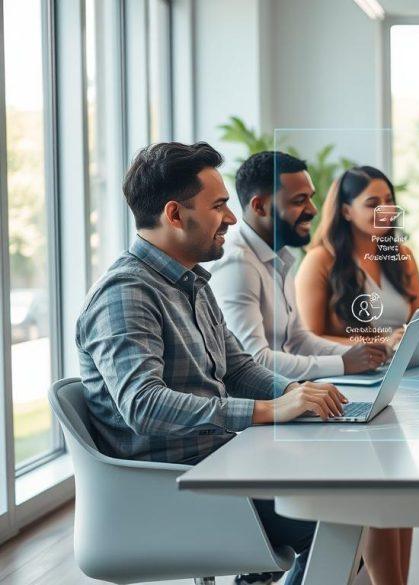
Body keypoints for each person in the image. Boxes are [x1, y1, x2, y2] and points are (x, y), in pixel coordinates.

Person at [76, 142, 355, 585]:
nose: (231, 218)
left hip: (221, 464)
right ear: (174, 215)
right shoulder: (127, 293)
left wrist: (291, 393)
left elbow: (240, 368)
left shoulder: (192, 283)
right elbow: (143, 405)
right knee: (339, 518)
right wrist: (266, 411)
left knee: (345, 483)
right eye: (220, 205)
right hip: (175, 489)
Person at [208, 151, 389, 379]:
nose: (313, 209)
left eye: (310, 198)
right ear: (259, 207)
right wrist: (342, 363)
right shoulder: (238, 265)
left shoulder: (280, 256)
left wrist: (363, 354)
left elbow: (298, 339)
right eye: (299, 200)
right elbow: (253, 360)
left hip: (287, 393)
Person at [295, 166, 419, 349]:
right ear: (346, 211)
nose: (386, 211)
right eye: (373, 204)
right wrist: (379, 343)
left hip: (400, 367)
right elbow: (307, 340)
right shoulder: (320, 260)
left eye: (389, 201)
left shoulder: (403, 255)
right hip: (349, 372)